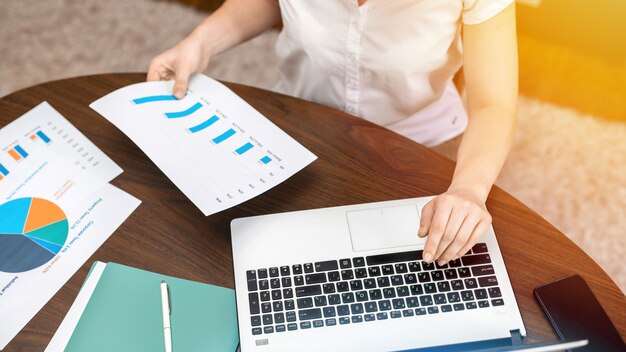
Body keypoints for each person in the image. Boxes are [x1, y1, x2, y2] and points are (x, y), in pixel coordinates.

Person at [147, 0, 518, 266]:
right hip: (302, 128)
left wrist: (468, 190)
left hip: (419, 143)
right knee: (242, 262)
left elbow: (494, 104)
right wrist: (201, 42)